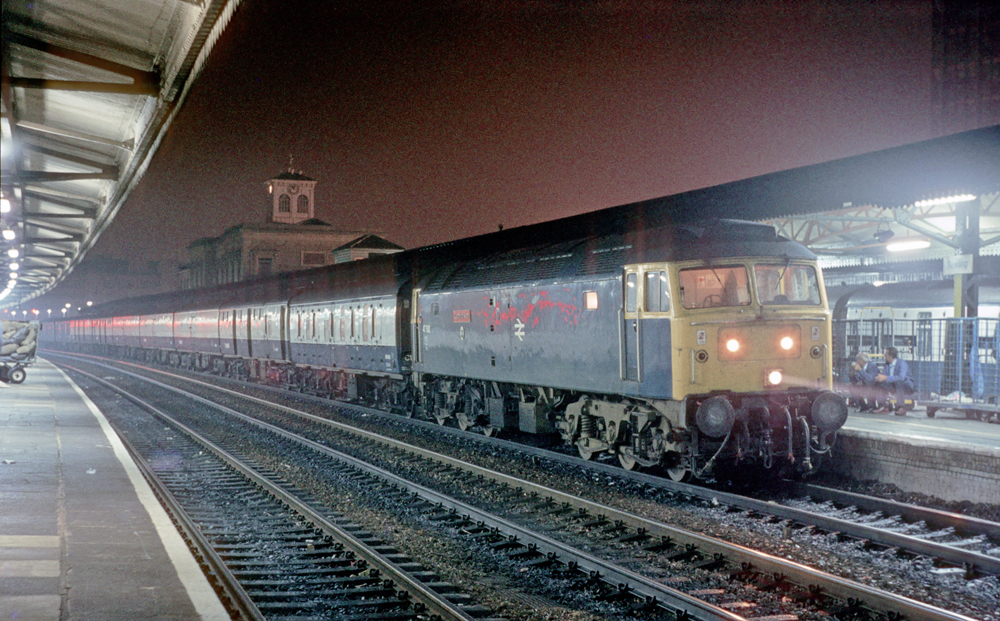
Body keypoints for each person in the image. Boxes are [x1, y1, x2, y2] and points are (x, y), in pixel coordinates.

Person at [875, 347, 916, 416]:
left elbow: (901, 377)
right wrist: (879, 378)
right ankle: (884, 406)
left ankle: (901, 407)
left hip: (907, 386)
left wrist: (886, 377)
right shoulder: (887, 364)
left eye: (886, 355)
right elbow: (884, 376)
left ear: (891, 356)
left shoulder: (902, 363)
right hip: (894, 385)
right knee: (880, 383)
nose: (884, 356)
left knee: (899, 382)